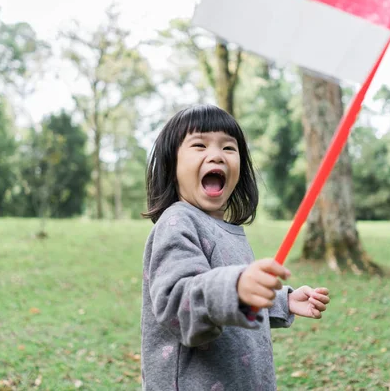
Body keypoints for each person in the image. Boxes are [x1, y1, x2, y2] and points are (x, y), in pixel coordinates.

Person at [140, 104, 330, 390]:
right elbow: (178, 303)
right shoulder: (177, 221)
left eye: (229, 148)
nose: (216, 155)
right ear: (172, 165)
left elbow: (233, 298)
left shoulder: (229, 232)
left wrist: (281, 301)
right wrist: (237, 287)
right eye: (199, 145)